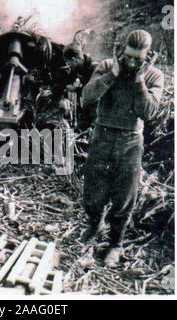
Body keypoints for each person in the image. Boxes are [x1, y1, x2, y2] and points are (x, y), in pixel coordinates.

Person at [81, 30, 164, 266]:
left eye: (139, 59)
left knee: (124, 197)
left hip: (130, 140)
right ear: (122, 50)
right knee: (92, 193)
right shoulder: (107, 66)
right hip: (102, 135)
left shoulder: (154, 75)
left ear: (147, 56)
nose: (132, 62)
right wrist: (113, 75)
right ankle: (95, 222)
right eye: (129, 56)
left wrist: (138, 79)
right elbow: (87, 97)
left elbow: (149, 112)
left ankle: (115, 244)